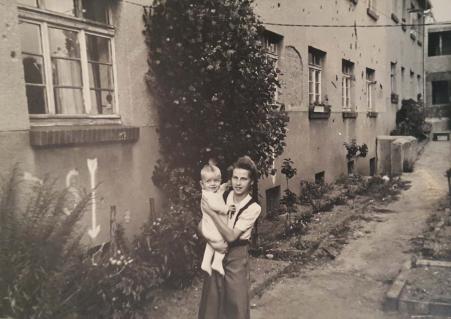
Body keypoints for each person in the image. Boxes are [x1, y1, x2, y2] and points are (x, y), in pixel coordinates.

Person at [198, 156, 261, 319]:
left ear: (251, 182)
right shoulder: (221, 194)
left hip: (236, 259)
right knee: (212, 306)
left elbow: (231, 236)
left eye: (243, 179)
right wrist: (213, 242)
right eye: (235, 177)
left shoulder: (253, 207)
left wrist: (212, 213)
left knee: (236, 305)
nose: (238, 183)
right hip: (217, 252)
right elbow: (200, 225)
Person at [199, 162, 232, 276]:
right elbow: (215, 206)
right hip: (212, 228)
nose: (213, 184)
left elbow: (219, 191)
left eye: (216, 181)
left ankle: (205, 262)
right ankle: (217, 263)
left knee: (210, 245)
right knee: (222, 241)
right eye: (208, 181)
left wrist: (224, 186)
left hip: (209, 228)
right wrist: (226, 209)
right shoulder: (207, 196)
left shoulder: (212, 191)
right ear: (202, 184)